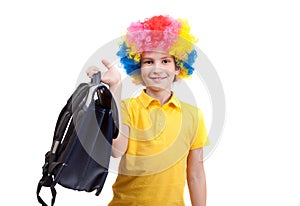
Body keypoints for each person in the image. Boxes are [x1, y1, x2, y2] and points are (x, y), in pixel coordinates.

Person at [87, 15, 209, 206]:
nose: (157, 69)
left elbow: (196, 174)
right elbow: (116, 151)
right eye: (149, 62)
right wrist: (115, 88)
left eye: (165, 61)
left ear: (178, 67)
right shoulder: (128, 107)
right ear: (138, 67)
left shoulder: (193, 115)